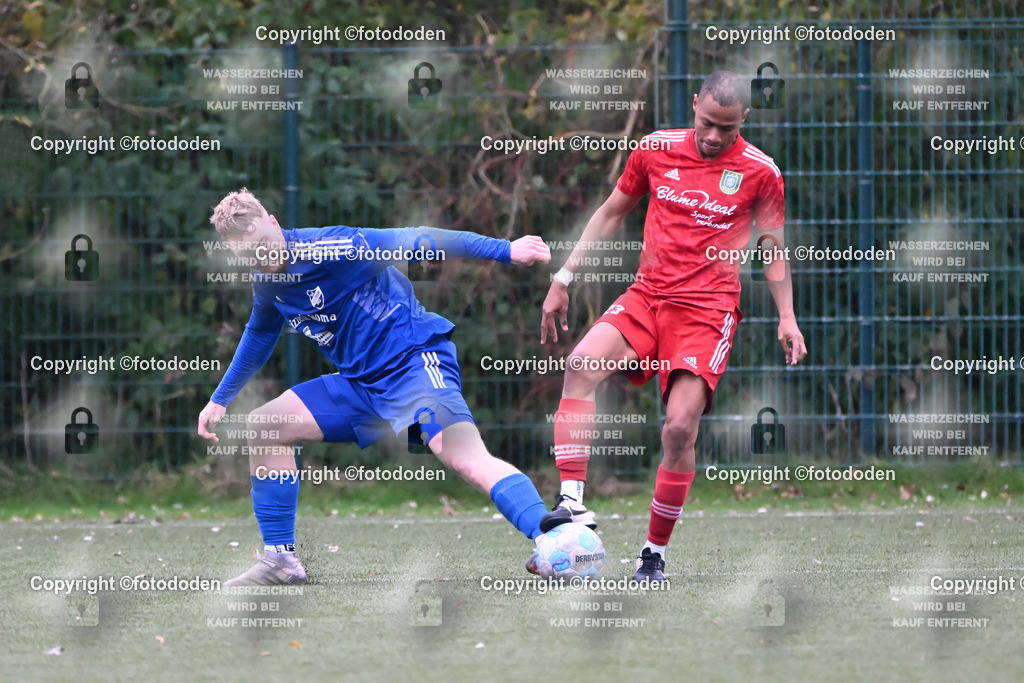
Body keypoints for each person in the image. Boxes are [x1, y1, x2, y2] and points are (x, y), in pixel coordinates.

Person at [199, 189, 552, 586]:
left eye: (264, 245)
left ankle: (552, 537)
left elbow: (420, 238)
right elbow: (260, 332)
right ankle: (281, 560)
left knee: (460, 456)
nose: (261, 259)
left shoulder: (334, 247)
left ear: (275, 222)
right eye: (249, 256)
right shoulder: (266, 281)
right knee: (266, 426)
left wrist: (506, 250)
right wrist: (220, 397)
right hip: (361, 388)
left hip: (411, 372)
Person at [539, 71, 807, 582]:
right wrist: (564, 277)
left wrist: (787, 317)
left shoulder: (761, 171)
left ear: (743, 121)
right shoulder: (655, 148)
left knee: (680, 428)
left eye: (725, 129)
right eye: (706, 123)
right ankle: (571, 503)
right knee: (579, 366)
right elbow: (613, 212)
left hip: (707, 311)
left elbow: (773, 249)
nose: (712, 137)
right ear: (694, 106)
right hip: (648, 296)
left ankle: (653, 554)